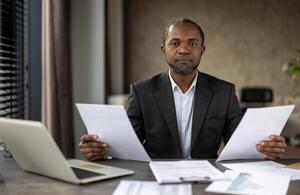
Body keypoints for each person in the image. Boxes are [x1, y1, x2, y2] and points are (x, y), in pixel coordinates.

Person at [79, 18, 287, 161]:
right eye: (175, 43)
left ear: (202, 50)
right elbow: (127, 144)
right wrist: (101, 149)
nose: (184, 49)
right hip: (156, 177)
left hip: (207, 177)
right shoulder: (142, 92)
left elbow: (239, 141)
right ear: (164, 50)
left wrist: (265, 148)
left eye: (192, 43)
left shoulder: (224, 92)